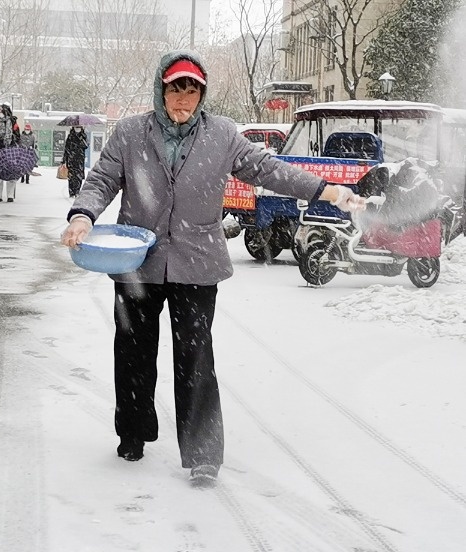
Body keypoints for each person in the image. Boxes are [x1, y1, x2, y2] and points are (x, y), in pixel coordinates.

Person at [60, 50, 365, 484]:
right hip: (136, 263)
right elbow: (102, 178)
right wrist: (83, 215)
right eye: (175, 89)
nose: (183, 100)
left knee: (196, 359)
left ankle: (203, 452)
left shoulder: (222, 134)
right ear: (160, 89)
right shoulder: (130, 133)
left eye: (192, 91)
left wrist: (326, 191)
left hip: (197, 264)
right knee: (133, 353)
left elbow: (268, 169)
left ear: (203, 94)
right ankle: (134, 430)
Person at [62, 126, 88, 197]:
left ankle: (77, 191)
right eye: (76, 127)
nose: (77, 129)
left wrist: (81, 139)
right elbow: (66, 148)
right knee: (71, 177)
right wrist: (64, 159)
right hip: (71, 159)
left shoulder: (83, 136)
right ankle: (71, 192)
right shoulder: (70, 136)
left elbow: (86, 146)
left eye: (79, 127)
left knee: (79, 177)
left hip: (80, 159)